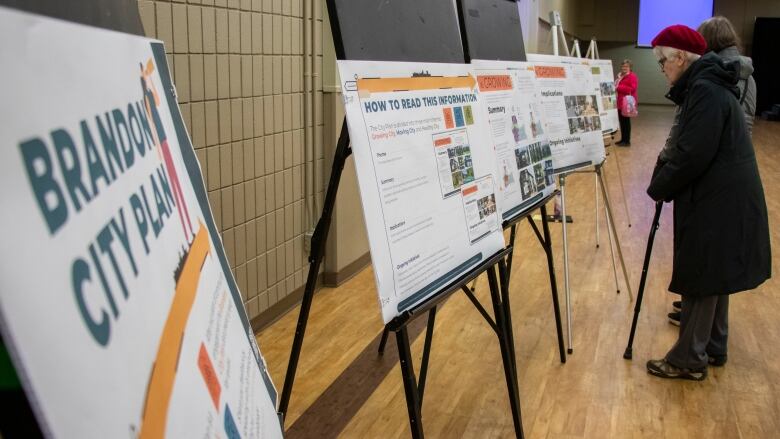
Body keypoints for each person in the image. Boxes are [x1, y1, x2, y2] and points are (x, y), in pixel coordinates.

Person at [645, 24, 771, 380]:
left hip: (720, 198)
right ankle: (714, 344)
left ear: (681, 58)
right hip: (726, 195)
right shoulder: (708, 85)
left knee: (702, 274)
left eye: (663, 62)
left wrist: (659, 186)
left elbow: (692, 154)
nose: (663, 69)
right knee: (715, 274)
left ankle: (688, 359)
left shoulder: (704, 89)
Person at [667, 16, 759, 326]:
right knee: (716, 257)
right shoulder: (744, 73)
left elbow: (691, 132)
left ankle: (696, 333)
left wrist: (665, 171)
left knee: (707, 256)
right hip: (735, 160)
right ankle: (703, 323)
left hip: (716, 168)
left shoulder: (709, 80)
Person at [615, 59, 638, 146]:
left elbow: (632, 89)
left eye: (626, 66)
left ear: (630, 68)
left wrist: (618, 87)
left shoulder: (632, 76)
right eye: (623, 66)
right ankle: (623, 139)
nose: (624, 68)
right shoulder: (620, 76)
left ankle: (627, 141)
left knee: (626, 122)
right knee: (622, 122)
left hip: (626, 103)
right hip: (620, 102)